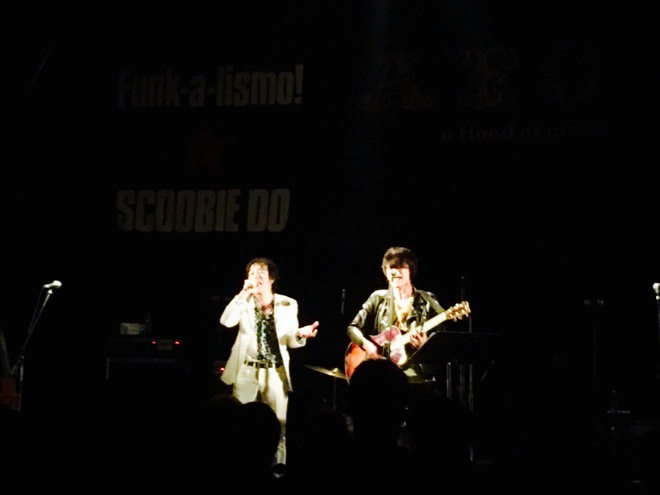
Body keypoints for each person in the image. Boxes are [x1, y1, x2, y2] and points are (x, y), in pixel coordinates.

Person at [219, 257, 320, 473]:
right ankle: (241, 469)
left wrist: (301, 334)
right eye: (252, 273)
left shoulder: (288, 303)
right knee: (241, 423)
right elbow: (226, 321)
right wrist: (242, 294)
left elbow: (291, 340)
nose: (255, 277)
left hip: (275, 372)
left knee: (278, 425)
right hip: (247, 371)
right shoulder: (243, 303)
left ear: (271, 278)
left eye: (260, 272)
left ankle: (276, 472)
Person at [345, 246, 448, 380]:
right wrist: (366, 345)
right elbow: (352, 328)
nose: (395, 272)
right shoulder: (377, 298)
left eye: (401, 267)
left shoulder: (428, 301)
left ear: (411, 270)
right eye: (391, 268)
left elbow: (442, 348)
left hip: (415, 374)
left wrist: (423, 347)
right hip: (382, 373)